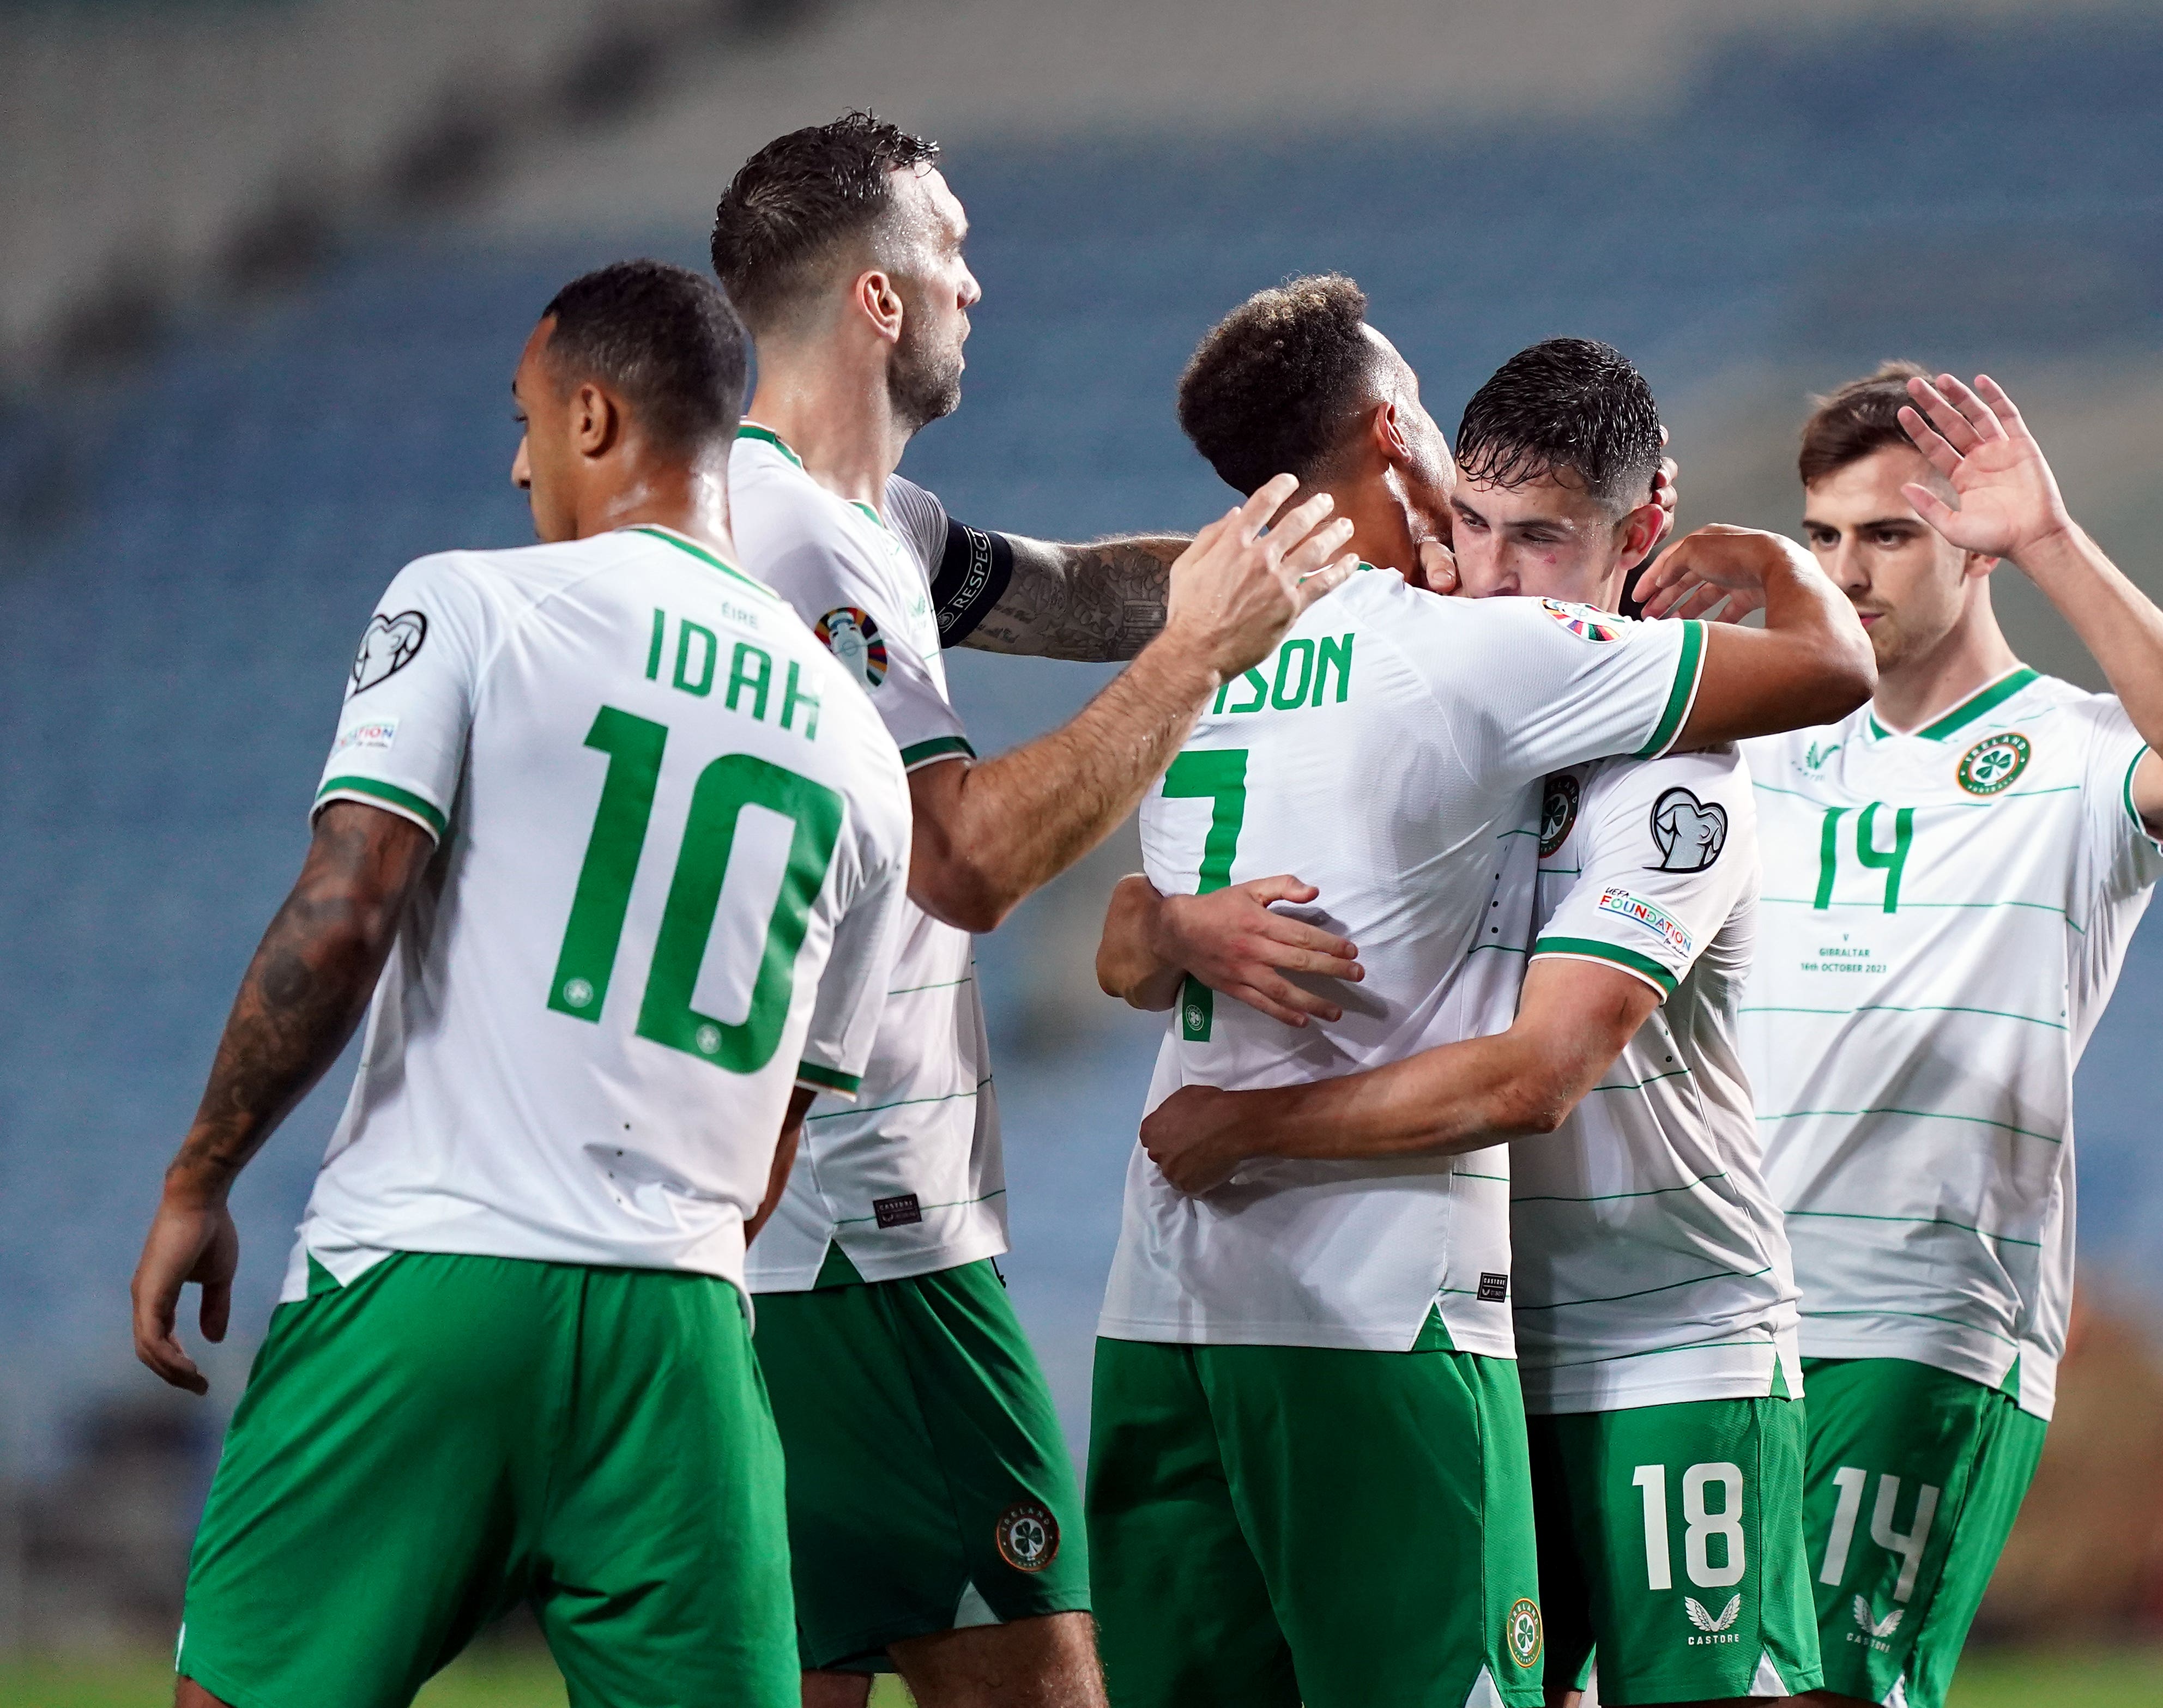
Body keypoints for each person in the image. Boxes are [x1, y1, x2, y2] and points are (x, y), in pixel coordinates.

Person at [128, 259, 914, 1708]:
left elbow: (347, 903)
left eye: (527, 418)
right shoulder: (860, 751)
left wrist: (200, 1174)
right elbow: (782, 1124)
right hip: (678, 1327)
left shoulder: (476, 604)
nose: (515, 458)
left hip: (428, 1278)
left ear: (597, 417)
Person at [1084, 281, 1874, 1708]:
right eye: (1474, 526)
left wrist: (1764, 553)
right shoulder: (1399, 675)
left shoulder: (1667, 763)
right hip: (1474, 1316)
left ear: (1637, 536)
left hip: (1656, 1321)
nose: (1495, 569)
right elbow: (1135, 931)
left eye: (1540, 537)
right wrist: (1161, 918)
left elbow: (1538, 1070)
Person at [708, 113, 1356, 1708]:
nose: (976, 288)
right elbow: (966, 859)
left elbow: (1078, 588)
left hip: (774, 1240)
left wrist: (1350, 553)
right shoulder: (803, 545)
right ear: (875, 299)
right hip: (867, 1244)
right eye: (950, 252)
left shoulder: (846, 522)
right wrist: (1199, 654)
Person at [1635, 365, 2163, 1708]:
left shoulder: (2071, 751)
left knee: (1828, 1691)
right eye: (1823, 536)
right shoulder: (1754, 743)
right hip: (1711, 1304)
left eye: (1889, 535)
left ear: (1968, 547)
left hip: (1919, 1308)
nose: (1849, 571)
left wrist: (2047, 535)